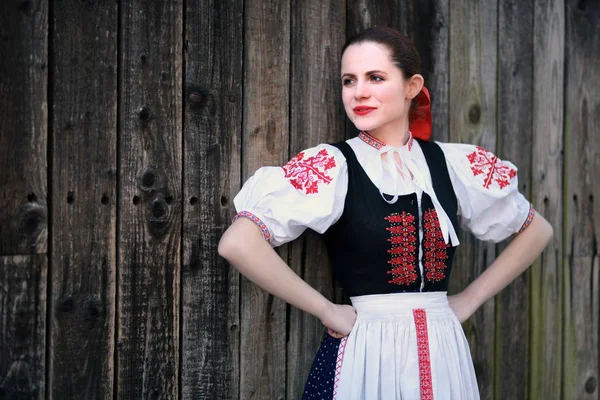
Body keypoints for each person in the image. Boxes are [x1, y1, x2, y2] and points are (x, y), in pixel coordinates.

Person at [218, 26, 553, 400]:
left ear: (411, 87)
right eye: (349, 80)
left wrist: (470, 299)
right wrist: (326, 310)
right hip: (367, 351)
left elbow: (537, 230)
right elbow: (238, 243)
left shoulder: (452, 163)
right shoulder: (334, 165)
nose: (359, 91)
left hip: (444, 350)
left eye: (375, 78)